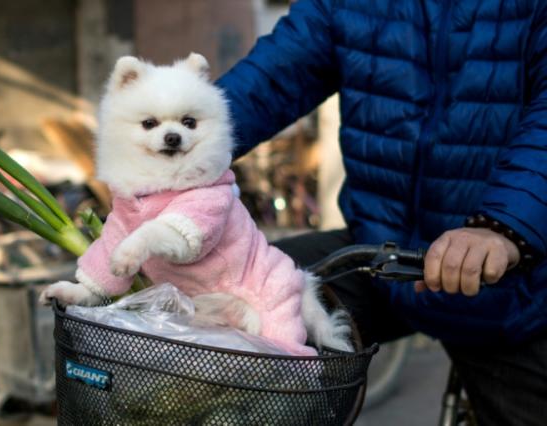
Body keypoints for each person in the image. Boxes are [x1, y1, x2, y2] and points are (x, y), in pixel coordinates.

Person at [215, 0, 547, 424]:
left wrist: (503, 227)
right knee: (230, 299)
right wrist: (166, 160)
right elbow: (269, 81)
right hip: (379, 248)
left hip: (512, 282)